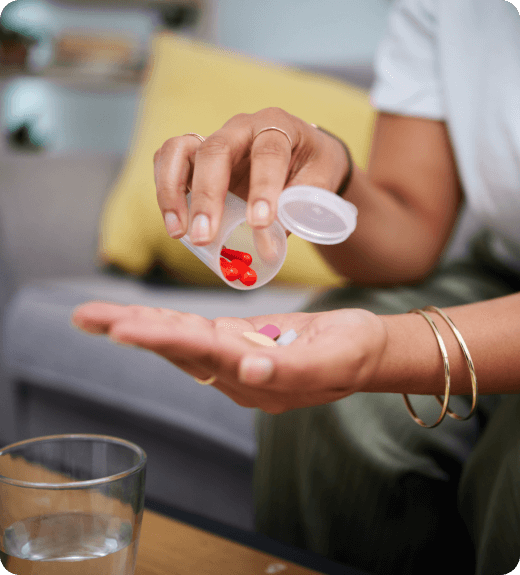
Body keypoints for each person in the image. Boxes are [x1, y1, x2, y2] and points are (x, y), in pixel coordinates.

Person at [72, 0, 520, 573]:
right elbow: (410, 229)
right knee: (328, 406)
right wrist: (333, 169)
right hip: (502, 264)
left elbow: (395, 340)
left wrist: (395, 348)